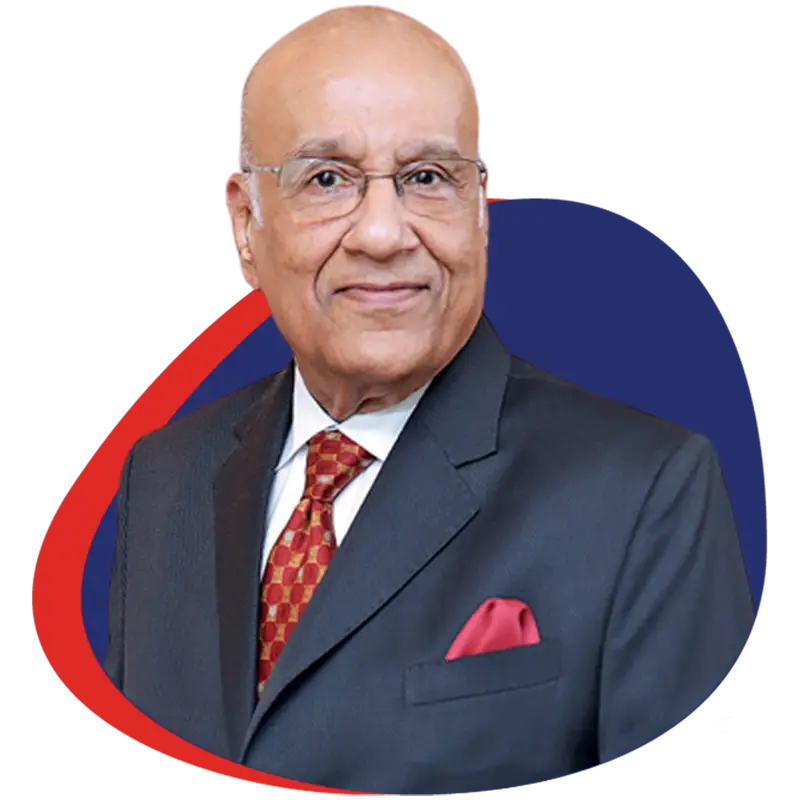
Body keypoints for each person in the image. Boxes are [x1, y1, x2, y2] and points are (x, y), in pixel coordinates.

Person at [104, 6, 753, 794]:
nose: (382, 234)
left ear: (479, 210)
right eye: (327, 178)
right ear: (245, 225)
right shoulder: (164, 476)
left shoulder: (643, 491)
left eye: (426, 178)